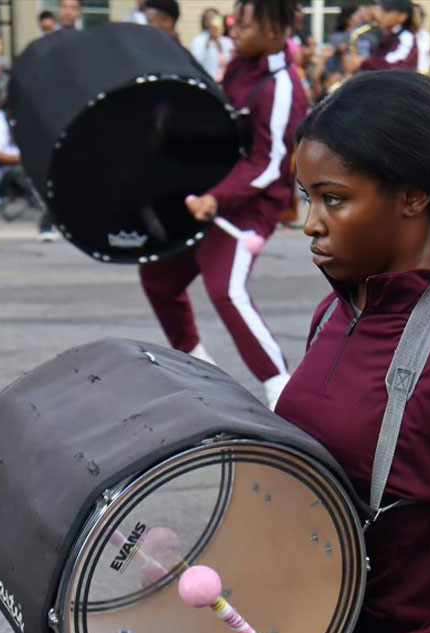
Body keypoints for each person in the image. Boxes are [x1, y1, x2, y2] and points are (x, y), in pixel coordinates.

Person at [254, 70, 430, 633]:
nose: (310, 224)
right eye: (306, 197)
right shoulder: (336, 310)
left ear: (414, 197)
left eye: (334, 199)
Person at [141, 0, 308, 409]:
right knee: (158, 277)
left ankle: (281, 389)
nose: (234, 32)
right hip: (212, 198)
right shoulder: (237, 67)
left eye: (245, 26)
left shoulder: (282, 86)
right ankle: (198, 367)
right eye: (235, 24)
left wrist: (218, 197)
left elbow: (269, 165)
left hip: (249, 210)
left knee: (227, 290)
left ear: (275, 31)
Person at [345, 0, 417, 72]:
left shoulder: (406, 37)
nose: (380, 15)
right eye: (381, 10)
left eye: (387, 11)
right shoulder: (386, 36)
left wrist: (362, 62)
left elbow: (393, 65)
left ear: (402, 16)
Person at [191, 8, 234, 82]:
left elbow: (230, 61)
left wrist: (219, 44)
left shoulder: (226, 41)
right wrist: (208, 42)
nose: (212, 21)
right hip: (206, 82)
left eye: (215, 18)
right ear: (205, 22)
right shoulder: (199, 40)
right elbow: (197, 61)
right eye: (210, 18)